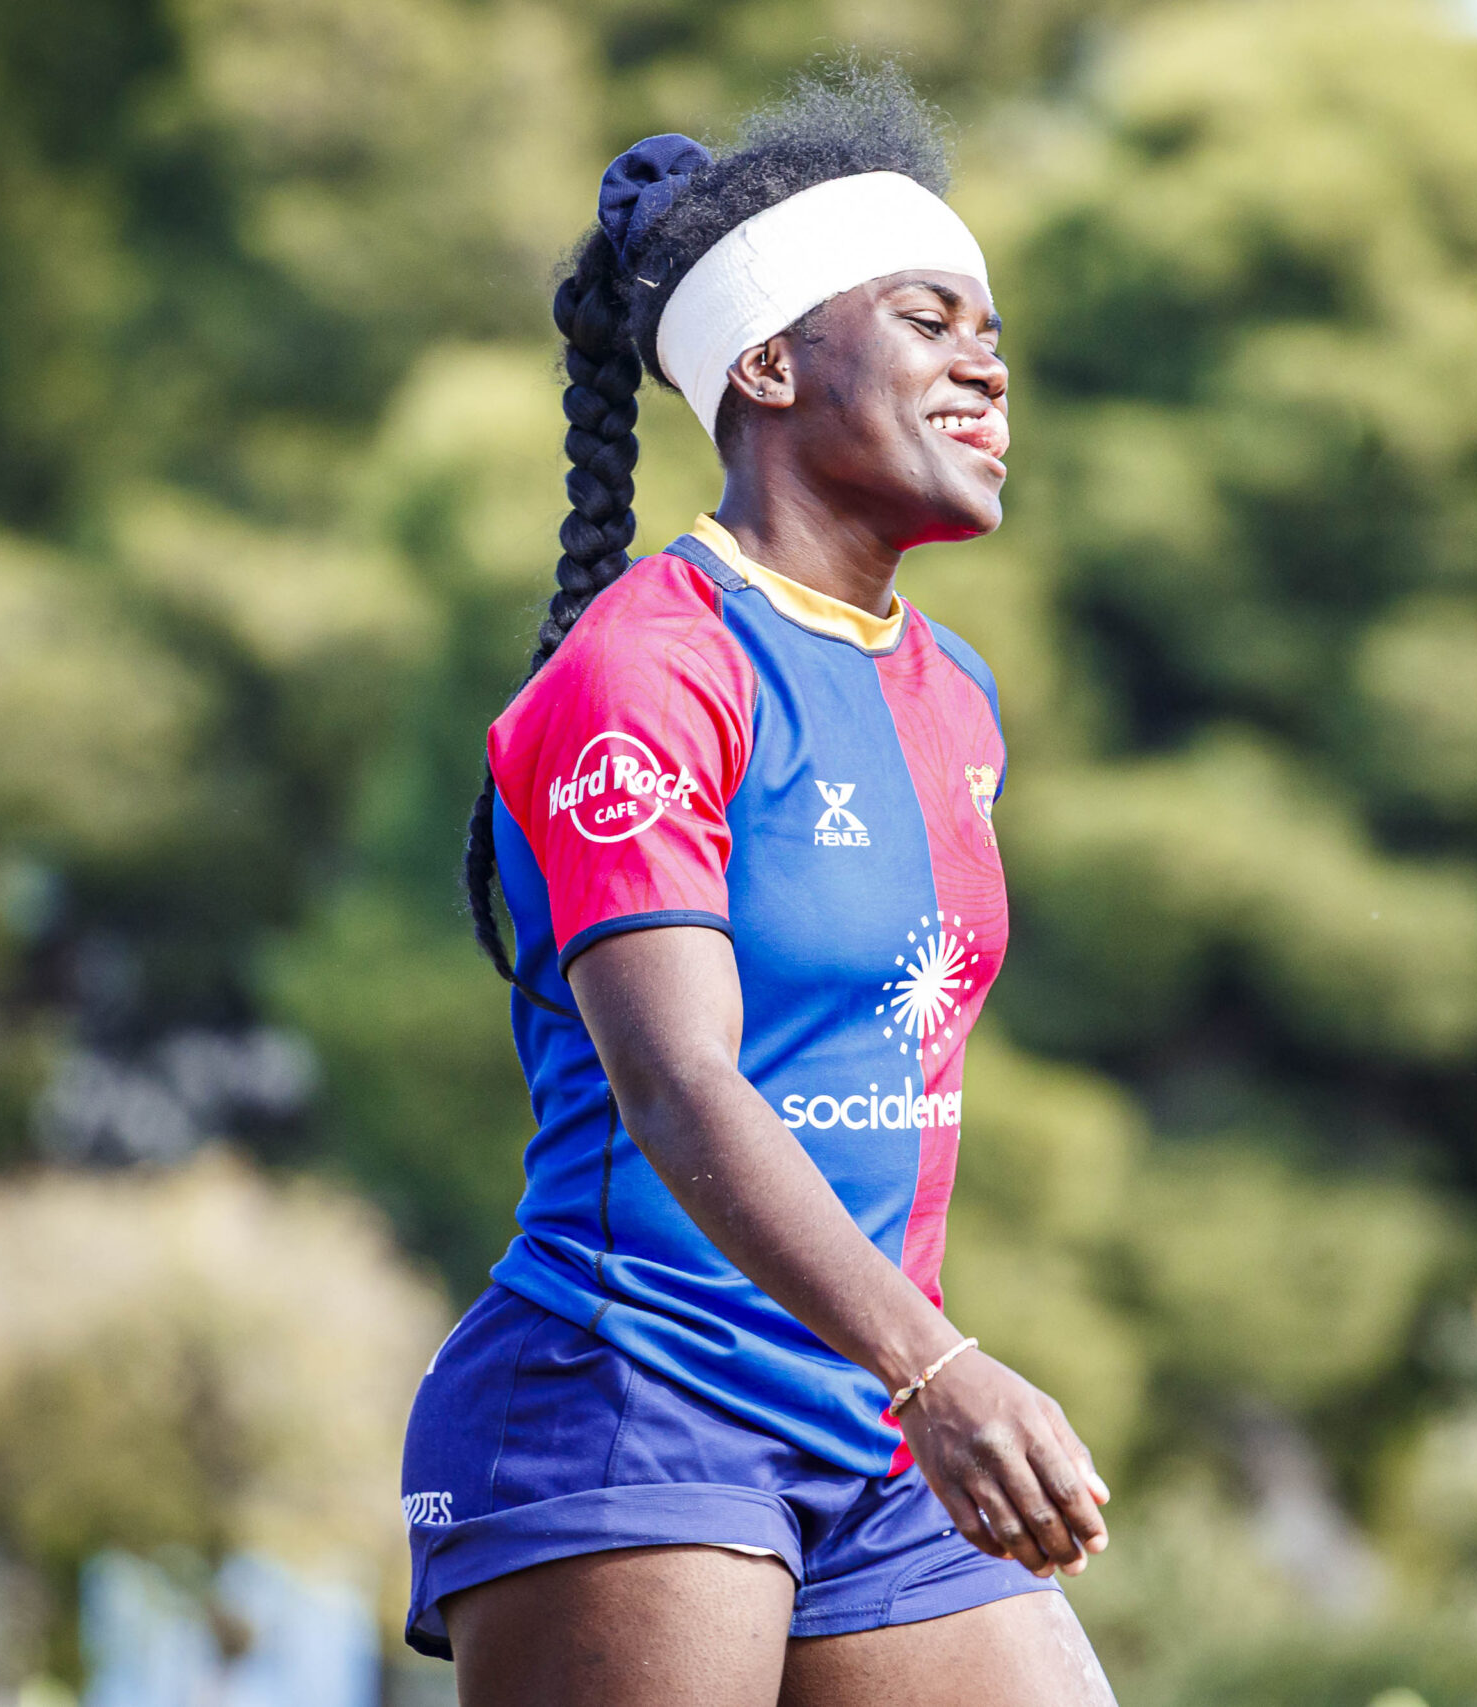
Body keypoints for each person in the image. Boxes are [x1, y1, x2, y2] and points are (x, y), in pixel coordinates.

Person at [398, 64, 1118, 1706]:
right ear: (771, 365)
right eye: (931, 321)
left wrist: (904, 1374)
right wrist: (938, 1370)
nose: (988, 365)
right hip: (630, 1396)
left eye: (994, 333)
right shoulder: (647, 670)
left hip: (864, 1417)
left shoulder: (958, 694)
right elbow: (678, 1080)